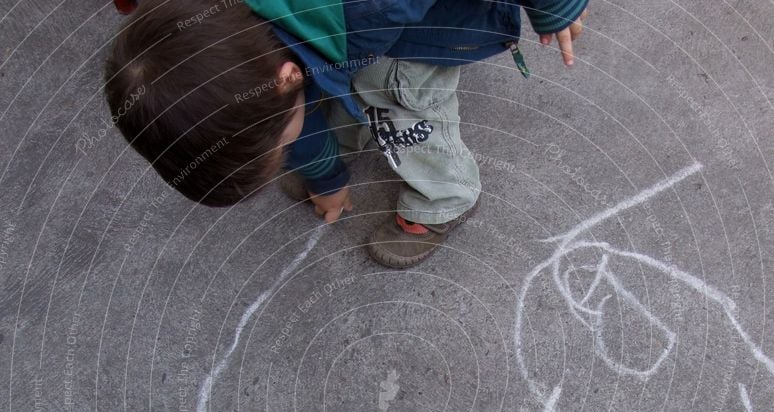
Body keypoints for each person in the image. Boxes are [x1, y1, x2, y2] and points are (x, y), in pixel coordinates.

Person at [105, 0, 588, 267]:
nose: (285, 147)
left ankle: (447, 195)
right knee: (342, 85)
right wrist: (324, 175)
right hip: (352, 33)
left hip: (434, 29)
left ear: (286, 78)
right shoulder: (235, 42)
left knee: (405, 101)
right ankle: (346, 131)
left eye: (279, 142)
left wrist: (556, 6)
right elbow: (295, 110)